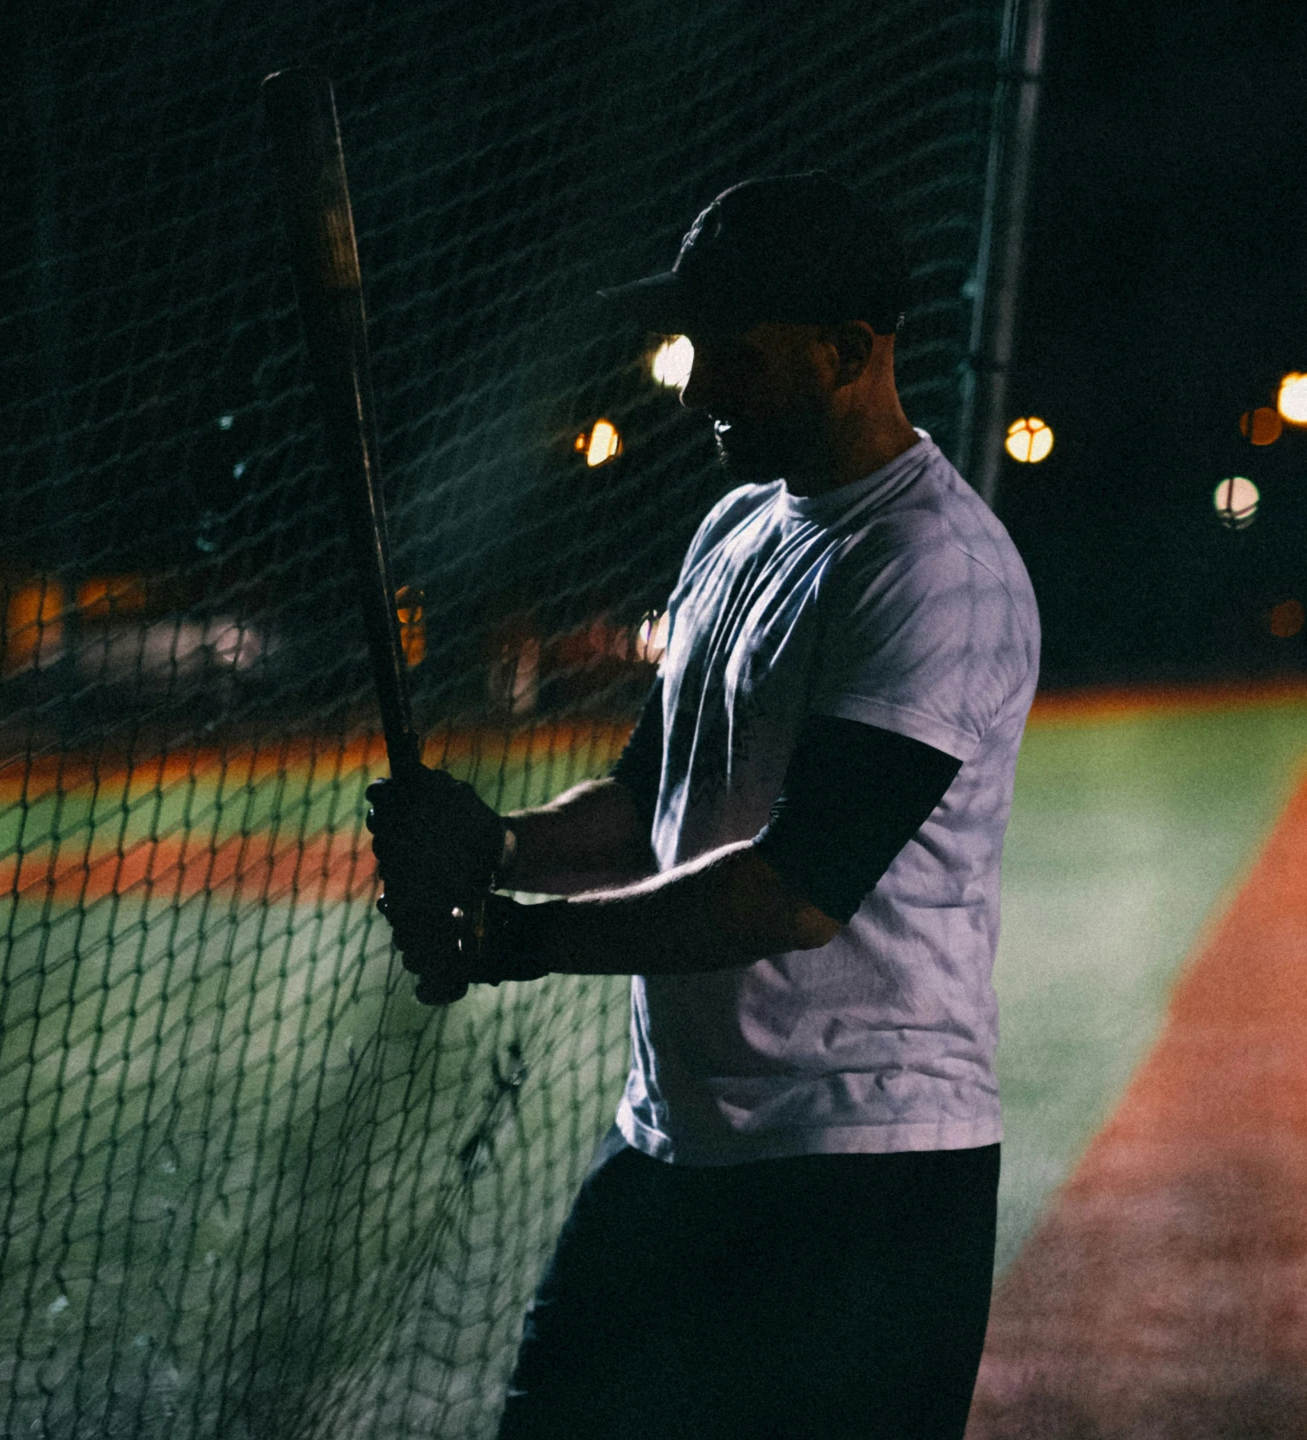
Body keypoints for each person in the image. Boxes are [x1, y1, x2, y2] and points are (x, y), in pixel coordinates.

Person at [364, 172, 1041, 1440]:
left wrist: (513, 942)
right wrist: (496, 845)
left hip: (865, 1179)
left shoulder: (932, 569)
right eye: (693, 347)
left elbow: (793, 893)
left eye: (736, 353)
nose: (694, 388)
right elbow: (644, 803)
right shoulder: (738, 530)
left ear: (850, 351)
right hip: (679, 1144)